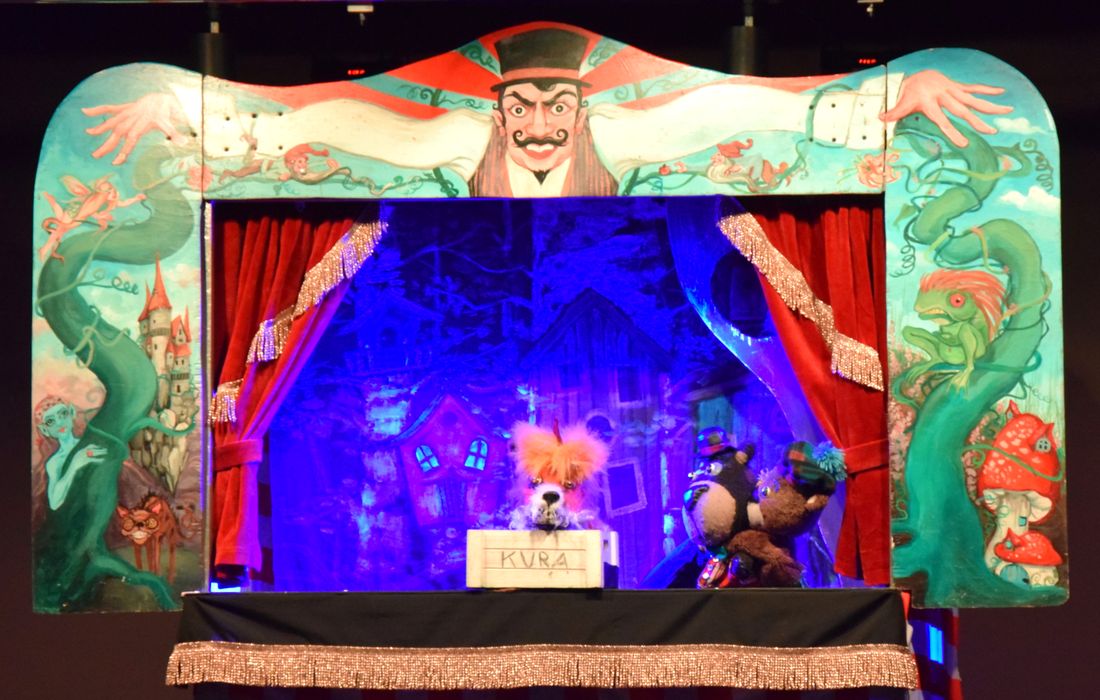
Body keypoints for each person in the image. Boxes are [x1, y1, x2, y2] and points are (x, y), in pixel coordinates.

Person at [81, 27, 1011, 197]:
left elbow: (732, 106)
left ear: (581, 105)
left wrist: (892, 95)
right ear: (496, 109)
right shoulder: (457, 137)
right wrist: (184, 109)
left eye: (555, 105)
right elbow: (329, 126)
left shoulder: (627, 133)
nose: (537, 124)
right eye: (521, 105)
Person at [34, 396, 106, 510]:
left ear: (72, 412)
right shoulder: (54, 462)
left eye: (63, 414)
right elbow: (54, 503)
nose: (59, 423)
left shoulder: (90, 444)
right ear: (44, 430)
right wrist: (74, 465)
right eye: (50, 421)